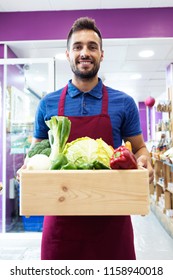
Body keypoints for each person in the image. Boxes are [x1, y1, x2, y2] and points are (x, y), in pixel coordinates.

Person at [19, 17, 153, 260]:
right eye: (78, 46)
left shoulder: (124, 102)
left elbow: (140, 148)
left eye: (92, 46)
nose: (85, 52)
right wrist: (27, 168)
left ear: (102, 54)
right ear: (68, 54)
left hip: (112, 219)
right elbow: (35, 154)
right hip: (60, 221)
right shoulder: (47, 103)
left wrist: (145, 161)